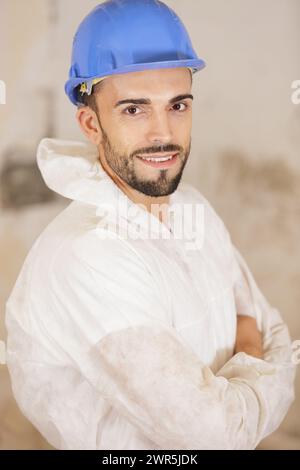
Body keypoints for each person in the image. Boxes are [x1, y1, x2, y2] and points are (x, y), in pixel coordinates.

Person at [5, 0, 295, 450]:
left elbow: (274, 328)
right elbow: (212, 435)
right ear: (90, 122)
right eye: (134, 110)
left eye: (177, 104)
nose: (163, 133)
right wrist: (252, 352)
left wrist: (247, 356)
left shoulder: (192, 207)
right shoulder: (88, 254)